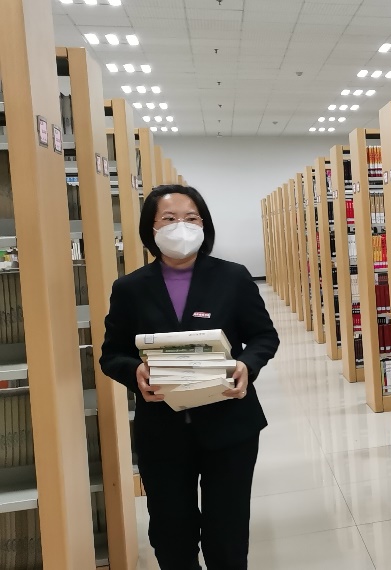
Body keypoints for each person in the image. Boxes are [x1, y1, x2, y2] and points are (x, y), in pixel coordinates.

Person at [99, 185, 279, 570]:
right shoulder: (130, 288)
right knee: (171, 535)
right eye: (169, 218)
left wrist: (247, 365)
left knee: (227, 535)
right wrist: (135, 372)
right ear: (151, 229)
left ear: (204, 225)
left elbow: (264, 336)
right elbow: (111, 355)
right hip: (162, 432)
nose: (181, 226)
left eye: (191, 218)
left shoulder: (233, 277)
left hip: (230, 427)